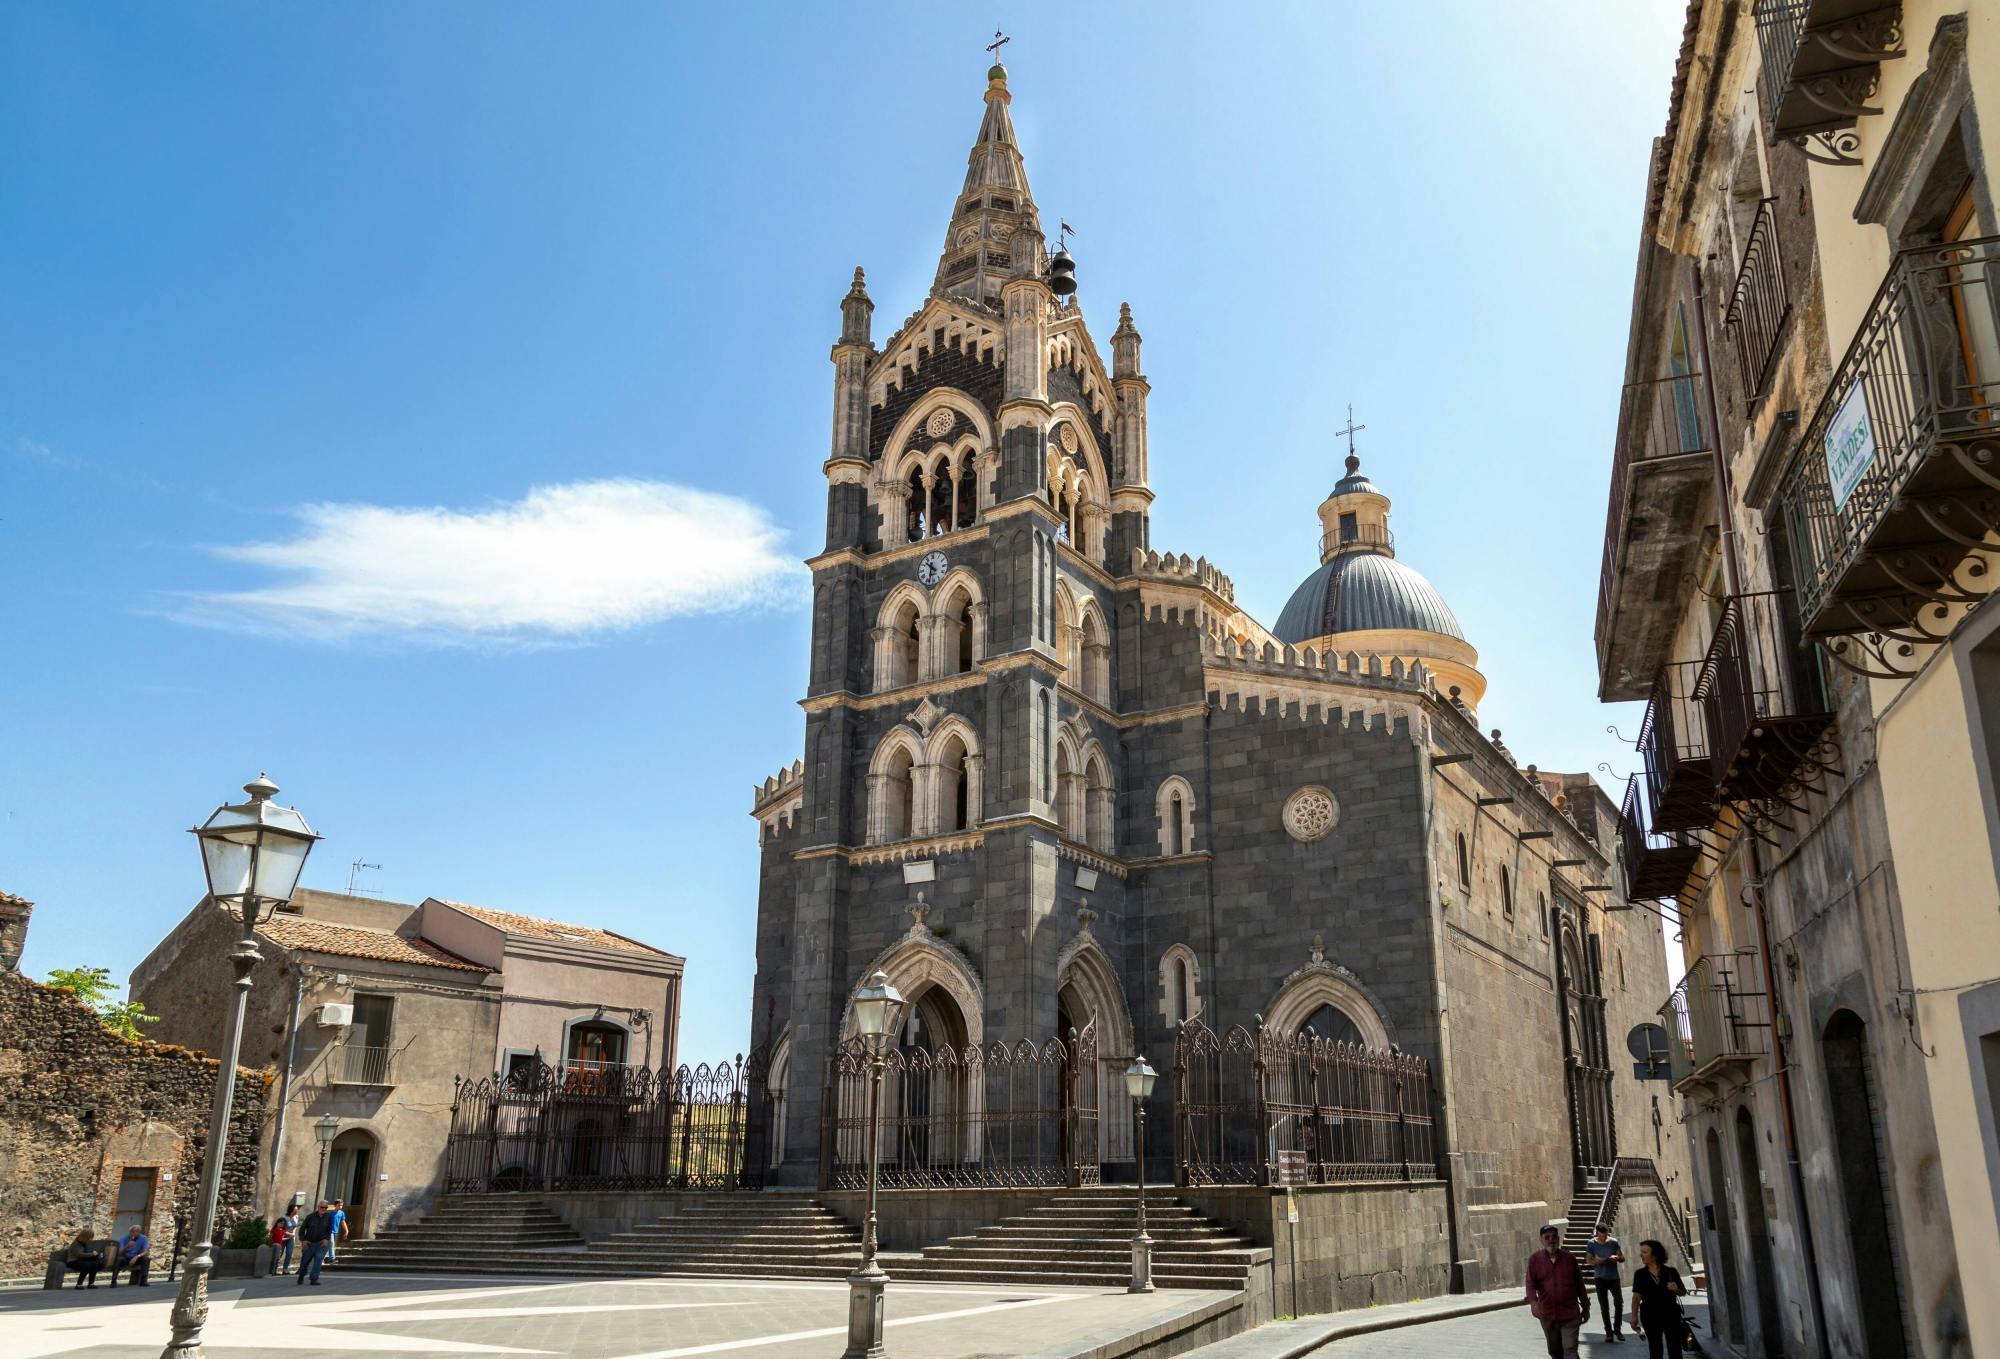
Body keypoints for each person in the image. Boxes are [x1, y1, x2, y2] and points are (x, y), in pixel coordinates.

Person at [1525, 1222, 1588, 1359]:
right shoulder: (1535, 1260)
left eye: (1554, 1237)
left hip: (1570, 1313)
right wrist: (1533, 1302)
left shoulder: (1569, 1259)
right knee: (1555, 1351)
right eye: (1547, 1237)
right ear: (1541, 1240)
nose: (1551, 1240)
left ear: (1558, 1239)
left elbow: (1579, 1285)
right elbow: (1530, 1284)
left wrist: (1586, 1306)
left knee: (1570, 1348)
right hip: (1547, 1314)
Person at [1630, 1238, 1688, 1359]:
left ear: (1655, 1255)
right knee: (1655, 1348)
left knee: (1675, 1348)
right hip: (1650, 1316)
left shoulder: (1670, 1272)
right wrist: (1634, 1317)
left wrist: (1676, 1289)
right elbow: (1636, 1298)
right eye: (1641, 1252)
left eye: (1645, 1252)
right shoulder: (1640, 1274)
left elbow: (1683, 1292)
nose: (1641, 1255)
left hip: (1671, 1314)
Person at [1588, 1224, 1627, 1342]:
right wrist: (1597, 1261)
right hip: (1600, 1278)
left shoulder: (1613, 1242)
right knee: (1604, 1307)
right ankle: (1609, 1333)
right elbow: (1589, 1260)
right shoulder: (1591, 1243)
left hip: (1613, 1277)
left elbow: (1622, 1257)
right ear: (1597, 1233)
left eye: (1606, 1235)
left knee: (1619, 1303)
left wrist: (1617, 1258)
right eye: (1602, 1236)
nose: (1604, 1238)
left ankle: (1618, 1330)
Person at [296, 1201, 335, 1286]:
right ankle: (301, 1276)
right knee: (305, 1262)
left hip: (321, 1243)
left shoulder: (329, 1217)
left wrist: (327, 1239)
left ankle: (314, 1279)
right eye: (322, 1207)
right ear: (318, 1207)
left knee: (318, 1260)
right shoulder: (310, 1217)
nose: (323, 1209)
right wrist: (303, 1240)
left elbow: (330, 1230)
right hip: (309, 1243)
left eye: (325, 1208)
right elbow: (302, 1229)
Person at [270, 1208, 295, 1275]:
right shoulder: (274, 1230)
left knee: (277, 1259)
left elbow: (284, 1237)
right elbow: (271, 1237)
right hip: (275, 1245)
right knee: (274, 1258)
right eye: (280, 1223)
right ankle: (272, 1271)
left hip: (280, 1246)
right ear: (277, 1223)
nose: (281, 1225)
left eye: (283, 1224)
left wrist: (290, 1236)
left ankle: (274, 1271)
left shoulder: (282, 1230)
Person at [326, 1198, 347, 1265]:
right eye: (339, 1205)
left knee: (330, 1244)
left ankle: (326, 1258)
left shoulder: (341, 1213)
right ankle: (332, 1258)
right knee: (331, 1244)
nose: (340, 1207)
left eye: (341, 1205)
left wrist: (346, 1231)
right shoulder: (330, 1213)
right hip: (329, 1231)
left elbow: (343, 1222)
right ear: (335, 1205)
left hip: (336, 1231)